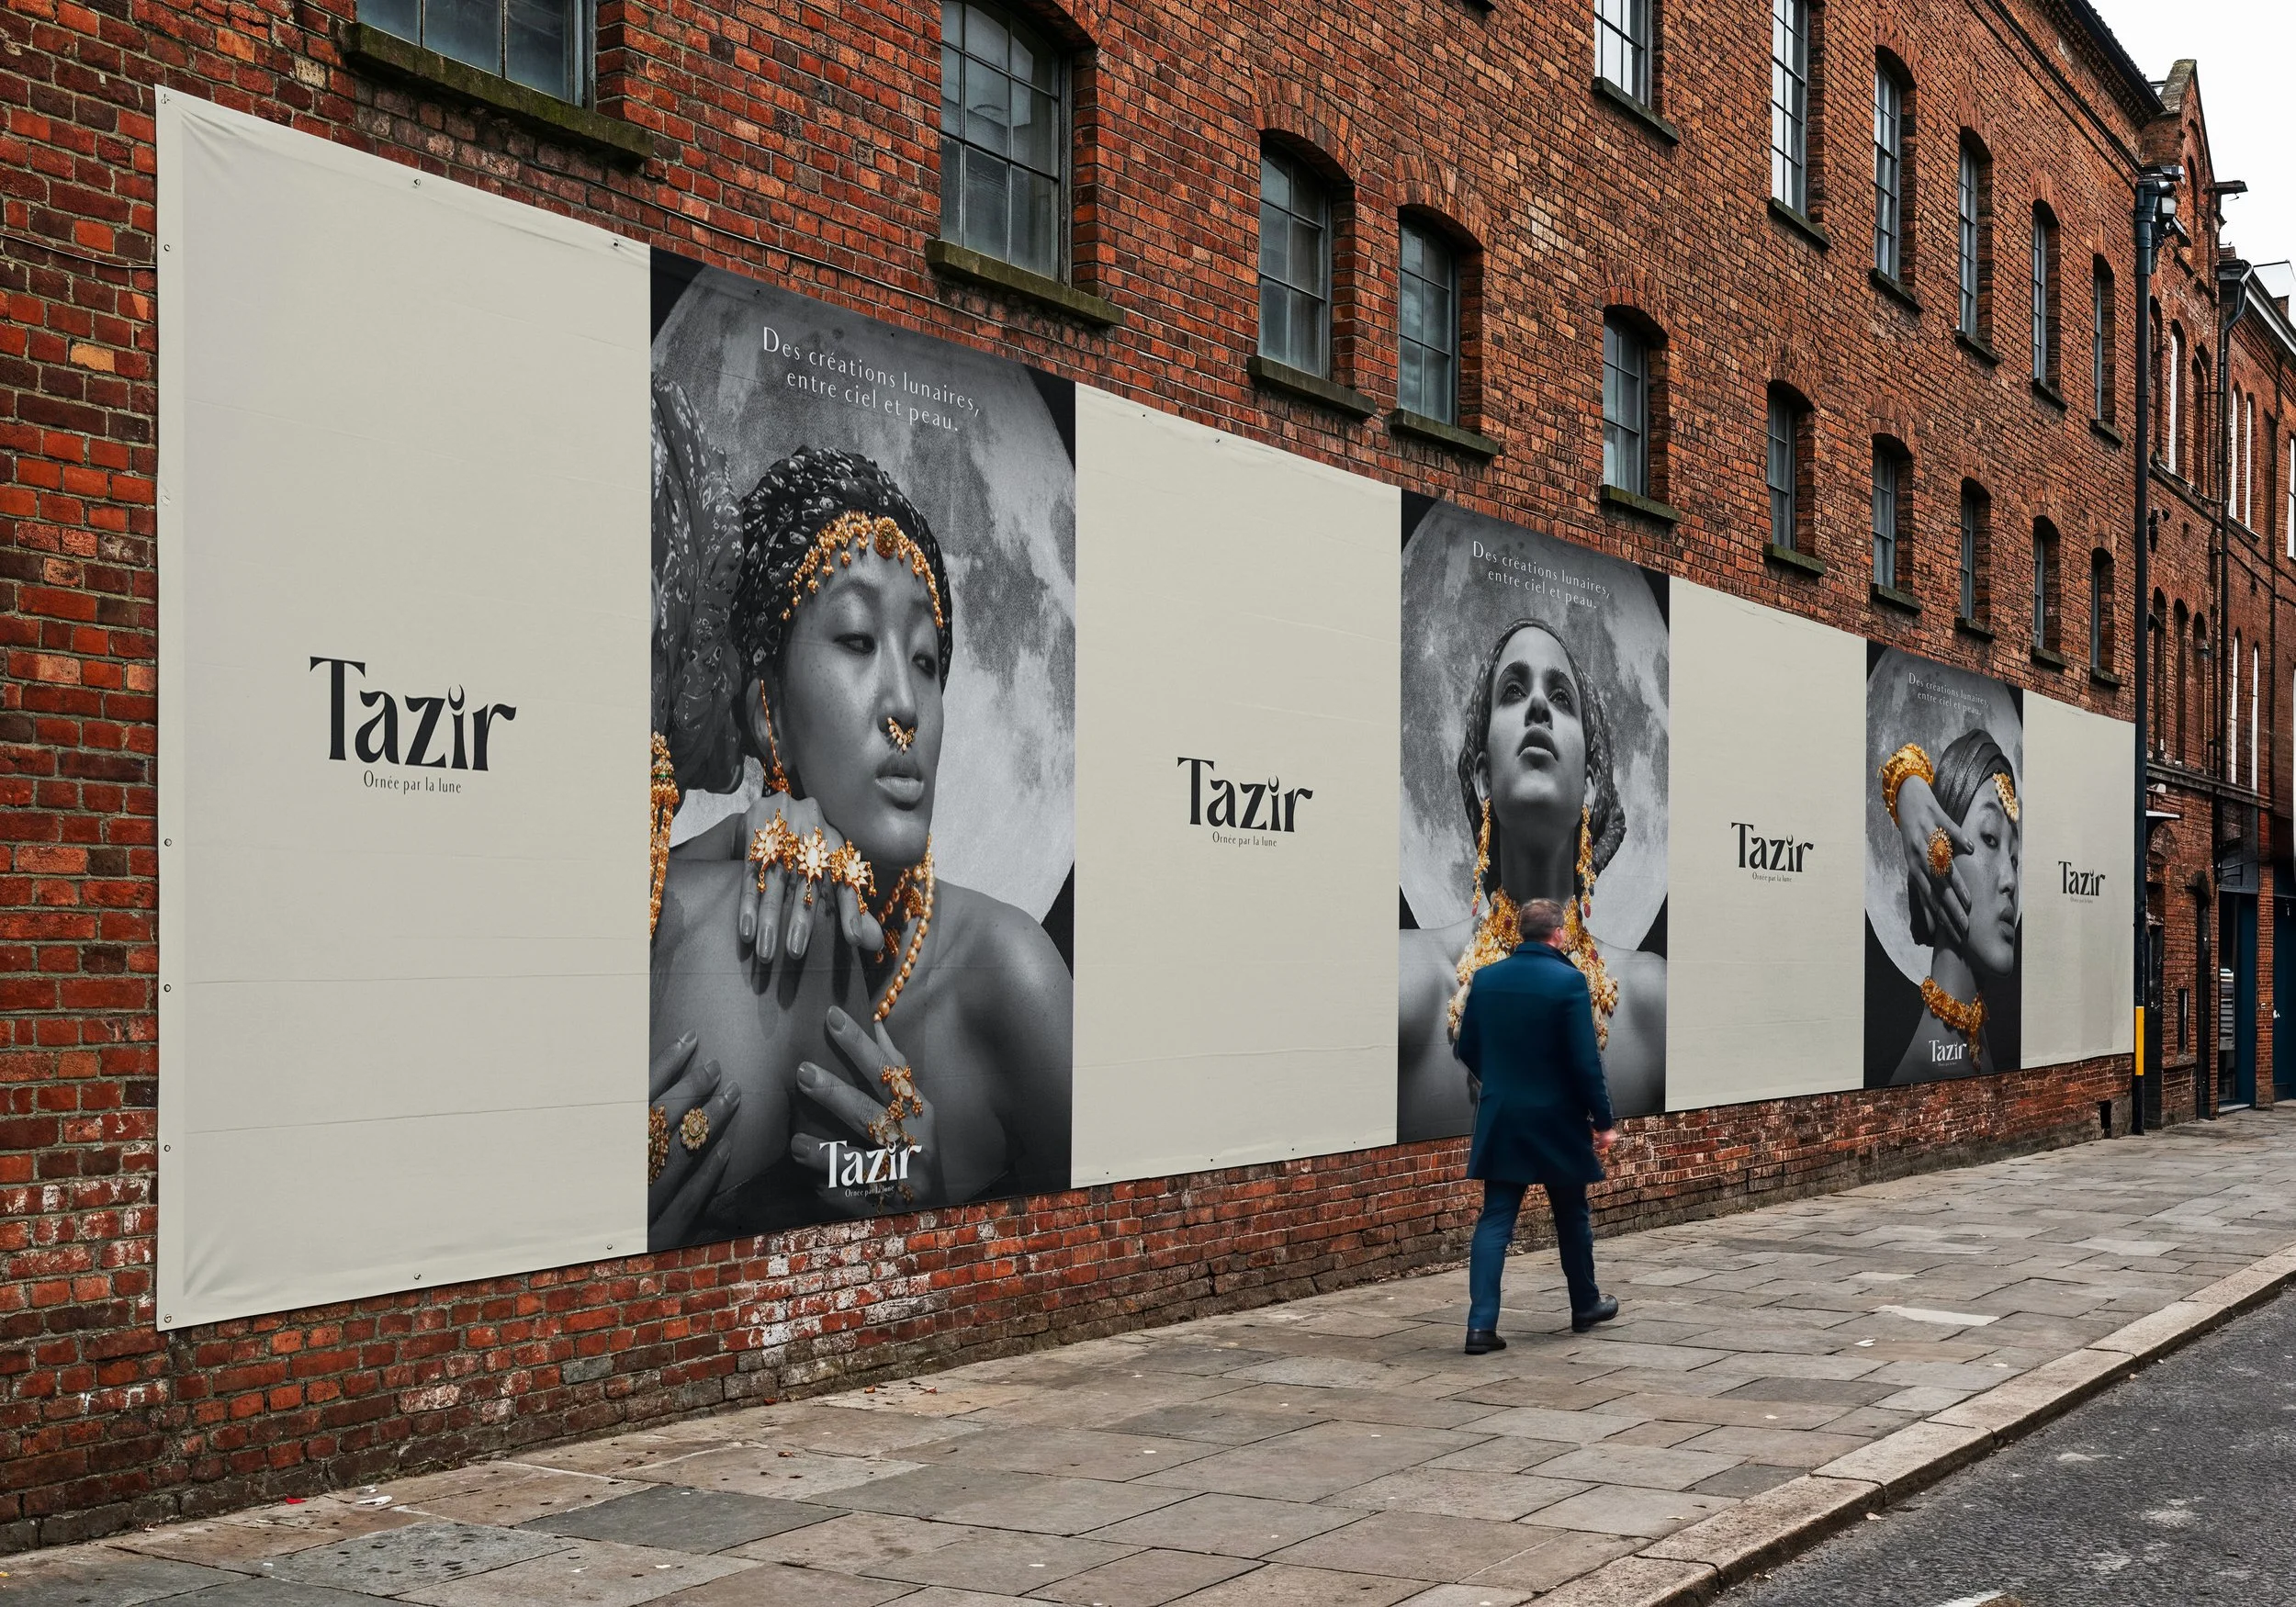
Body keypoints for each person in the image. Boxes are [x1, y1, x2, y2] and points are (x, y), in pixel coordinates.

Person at [646, 440, 1072, 1248]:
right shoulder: (703, 911)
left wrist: (937, 1224)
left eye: (926, 659)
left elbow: (1130, 1265)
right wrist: (747, 830)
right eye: (855, 641)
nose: (904, 703)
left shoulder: (1007, 973)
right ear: (768, 712)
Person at [1401, 618, 1664, 1139]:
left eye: (1561, 697)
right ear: (1482, 779)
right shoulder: (1407, 986)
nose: (1538, 705)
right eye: (1514, 690)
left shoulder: (1653, 1006)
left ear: (1590, 787)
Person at [1453, 895, 1621, 1354]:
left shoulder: (1485, 979)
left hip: (1503, 1114)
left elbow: (1466, 1046)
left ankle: (1480, 1327)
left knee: (1495, 1219)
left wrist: (1503, 1082)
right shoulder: (1569, 982)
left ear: (1520, 932)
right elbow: (1586, 1062)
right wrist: (1604, 1122)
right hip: (1557, 1118)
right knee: (1571, 1214)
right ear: (1559, 933)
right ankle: (1585, 1304)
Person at [1879, 728, 2021, 1084]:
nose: (2010, 880)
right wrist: (1906, 785)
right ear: (1938, 853)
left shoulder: (1981, 1048)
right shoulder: (1919, 1072)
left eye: (2015, 858)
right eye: (1989, 838)